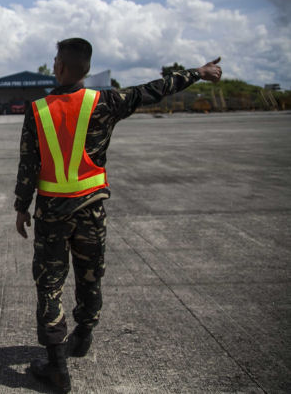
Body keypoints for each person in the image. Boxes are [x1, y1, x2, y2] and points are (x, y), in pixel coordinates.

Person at [13, 38, 221, 392]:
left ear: (60, 67)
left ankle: (57, 367)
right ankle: (83, 334)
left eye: (54, 61)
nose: (53, 66)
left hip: (52, 215)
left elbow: (28, 165)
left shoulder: (37, 110)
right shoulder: (106, 102)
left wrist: (21, 206)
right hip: (91, 210)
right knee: (90, 276)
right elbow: (154, 90)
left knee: (50, 284)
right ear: (88, 70)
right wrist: (198, 73)